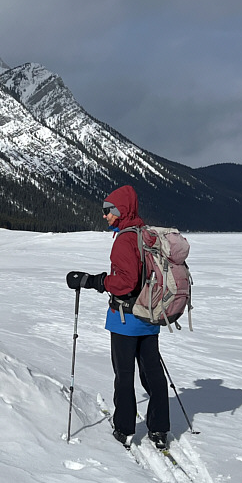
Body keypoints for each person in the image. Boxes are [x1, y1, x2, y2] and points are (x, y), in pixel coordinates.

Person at [66, 185, 170, 449]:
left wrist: (95, 281)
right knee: (153, 374)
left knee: (124, 375)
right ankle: (159, 428)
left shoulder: (125, 239)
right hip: (150, 314)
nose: (105, 216)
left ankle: (124, 428)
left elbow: (126, 282)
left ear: (121, 210)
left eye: (108, 210)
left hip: (126, 318)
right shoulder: (145, 234)